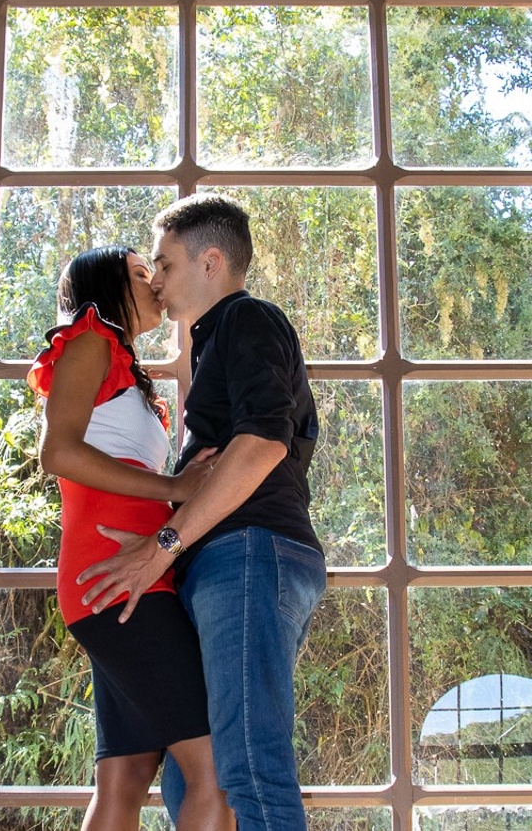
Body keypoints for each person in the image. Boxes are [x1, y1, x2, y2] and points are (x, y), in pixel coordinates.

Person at [77, 194, 327, 831]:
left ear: (210, 261)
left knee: (245, 766)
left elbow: (262, 444)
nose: (154, 278)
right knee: (195, 783)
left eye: (163, 262)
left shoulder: (248, 321)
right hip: (224, 561)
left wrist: (159, 547)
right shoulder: (211, 344)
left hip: (249, 553)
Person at [28, 245, 233, 831]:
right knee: (215, 771)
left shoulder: (119, 363)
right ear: (106, 287)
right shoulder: (90, 340)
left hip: (122, 581)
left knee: (124, 779)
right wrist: (176, 485)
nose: (157, 282)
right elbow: (58, 452)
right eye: (144, 274)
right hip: (117, 584)